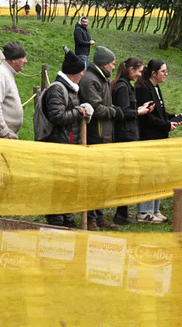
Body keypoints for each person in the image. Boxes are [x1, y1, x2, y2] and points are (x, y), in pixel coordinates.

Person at [42, 48, 92, 228]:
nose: (82, 74)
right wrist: (80, 112)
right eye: (81, 71)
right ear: (74, 73)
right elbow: (57, 116)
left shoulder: (71, 89)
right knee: (59, 183)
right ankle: (56, 218)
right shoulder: (58, 89)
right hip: (59, 143)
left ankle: (67, 218)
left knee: (69, 183)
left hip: (69, 143)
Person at [79, 46, 123, 231]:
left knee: (101, 180)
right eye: (113, 64)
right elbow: (96, 108)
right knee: (93, 180)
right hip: (95, 136)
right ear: (104, 64)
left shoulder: (102, 78)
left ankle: (99, 215)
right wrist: (115, 111)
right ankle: (90, 218)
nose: (114, 67)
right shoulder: (91, 80)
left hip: (104, 135)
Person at [135, 59, 181, 223]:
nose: (166, 74)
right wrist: (166, 125)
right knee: (149, 174)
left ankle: (154, 209)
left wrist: (171, 117)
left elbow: (159, 112)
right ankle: (144, 211)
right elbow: (147, 117)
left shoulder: (155, 87)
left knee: (158, 174)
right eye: (163, 71)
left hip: (160, 138)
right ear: (154, 73)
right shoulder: (143, 88)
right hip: (149, 138)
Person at [111, 57, 154, 225]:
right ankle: (121, 213)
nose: (139, 74)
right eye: (138, 71)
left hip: (127, 134)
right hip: (125, 135)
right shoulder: (122, 87)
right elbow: (123, 112)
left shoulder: (123, 85)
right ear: (130, 70)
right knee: (125, 176)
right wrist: (139, 111)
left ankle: (123, 212)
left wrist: (139, 108)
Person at [0, 41, 28, 139]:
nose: (25, 61)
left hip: (8, 133)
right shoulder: (1, 74)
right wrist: (4, 132)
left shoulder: (7, 72)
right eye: (22, 57)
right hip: (3, 136)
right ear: (13, 60)